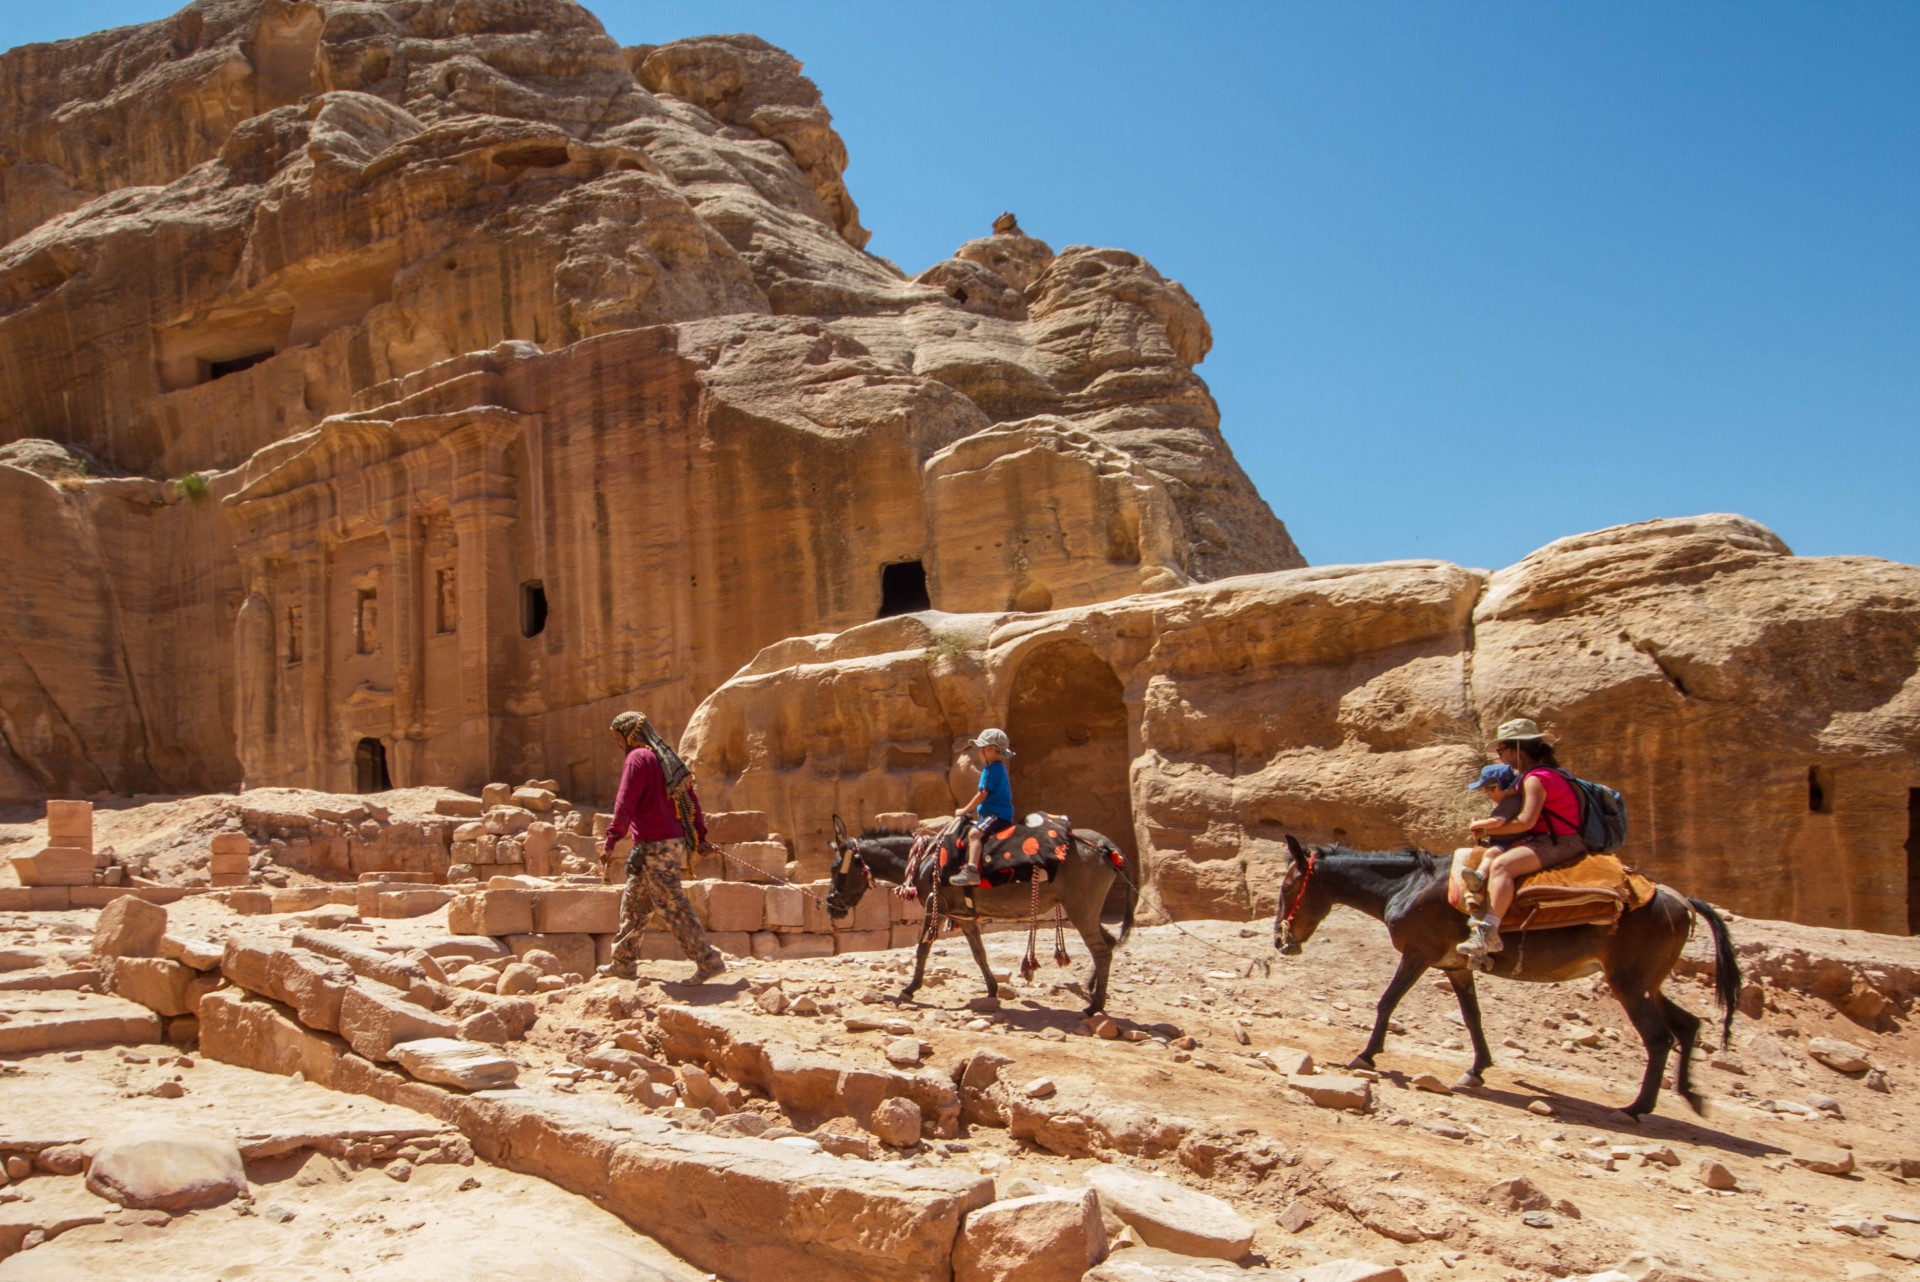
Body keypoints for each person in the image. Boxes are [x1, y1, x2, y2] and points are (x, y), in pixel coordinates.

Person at [596, 711, 726, 984]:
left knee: (672, 906)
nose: (617, 742)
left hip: (654, 847)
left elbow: (625, 803)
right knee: (633, 903)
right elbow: (691, 801)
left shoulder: (636, 759)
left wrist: (611, 839)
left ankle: (708, 960)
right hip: (656, 846)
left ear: (627, 735)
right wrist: (699, 838)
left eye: (617, 737)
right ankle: (623, 963)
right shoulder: (667, 760)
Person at [1458, 718, 1589, 962]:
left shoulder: (1536, 779)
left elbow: (1527, 821)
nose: (1500, 757)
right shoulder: (1542, 774)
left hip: (1559, 842)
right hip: (1551, 838)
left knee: (1501, 866)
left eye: (1501, 750)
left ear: (1516, 749)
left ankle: (1489, 933)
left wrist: (1486, 831)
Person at [948, 728, 1016, 888]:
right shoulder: (1000, 769)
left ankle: (971, 871)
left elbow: (982, 795)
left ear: (990, 749)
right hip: (1000, 815)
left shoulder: (991, 770)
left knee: (973, 834)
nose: (979, 752)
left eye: (981, 748)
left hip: (995, 815)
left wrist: (964, 810)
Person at [1451, 762, 1520, 910]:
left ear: (1497, 787)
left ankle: (1479, 877)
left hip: (1510, 842)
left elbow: (1497, 822)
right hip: (1506, 841)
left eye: (1488, 792)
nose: (1488, 796)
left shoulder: (1511, 802)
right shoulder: (1511, 801)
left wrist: (1479, 824)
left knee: (1491, 854)